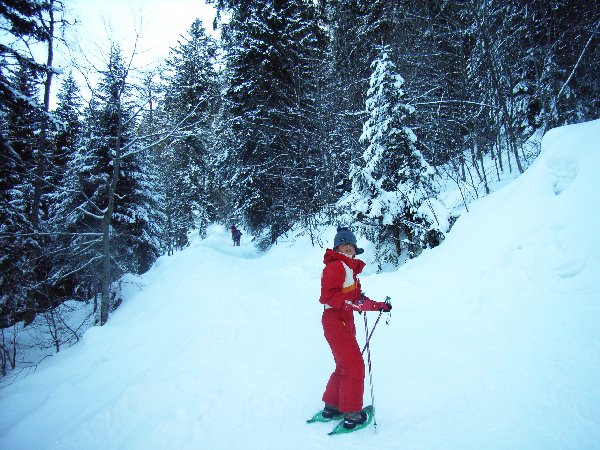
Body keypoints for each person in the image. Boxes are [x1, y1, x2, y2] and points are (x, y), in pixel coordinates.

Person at [318, 227, 392, 429]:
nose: (348, 247)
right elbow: (328, 296)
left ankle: (331, 407)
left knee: (345, 365)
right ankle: (351, 414)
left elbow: (356, 298)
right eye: (344, 244)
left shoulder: (348, 268)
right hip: (336, 321)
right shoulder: (335, 267)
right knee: (354, 366)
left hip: (344, 321)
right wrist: (353, 304)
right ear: (337, 246)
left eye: (351, 244)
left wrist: (378, 306)